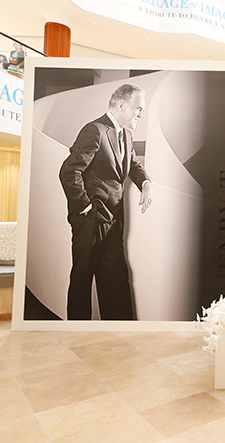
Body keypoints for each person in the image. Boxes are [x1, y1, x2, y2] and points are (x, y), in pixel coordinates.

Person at [59, 84, 153, 320]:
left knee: (116, 282)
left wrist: (146, 183)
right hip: (90, 222)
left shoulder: (126, 135)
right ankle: (76, 336)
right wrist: (85, 206)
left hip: (114, 223)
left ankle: (120, 334)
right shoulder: (94, 130)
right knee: (82, 282)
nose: (141, 115)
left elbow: (133, 165)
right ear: (121, 105)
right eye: (138, 109)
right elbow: (69, 171)